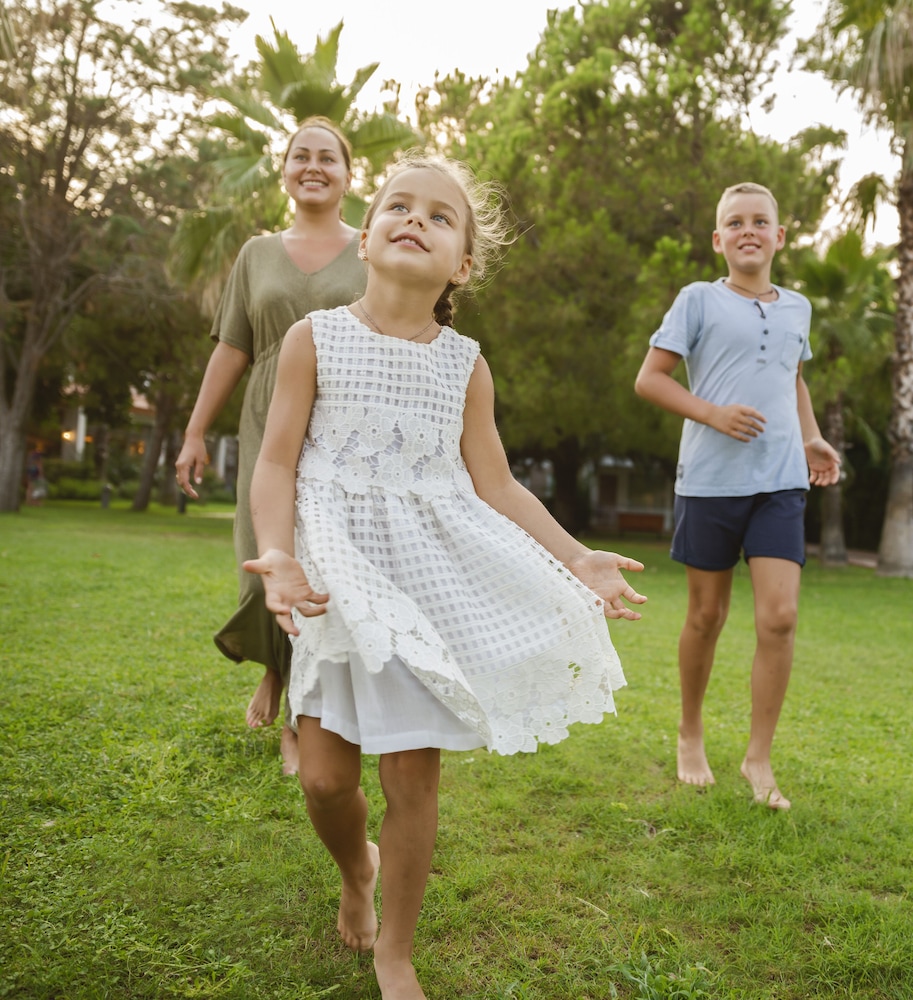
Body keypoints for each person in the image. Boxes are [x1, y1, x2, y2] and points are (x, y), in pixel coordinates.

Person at [243, 153, 647, 1000]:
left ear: (462, 261)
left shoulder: (464, 364)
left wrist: (576, 557)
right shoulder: (312, 340)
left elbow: (494, 484)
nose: (413, 219)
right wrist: (277, 553)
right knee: (323, 778)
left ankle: (396, 952)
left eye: (438, 215)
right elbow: (276, 461)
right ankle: (358, 868)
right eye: (398, 205)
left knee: (409, 778)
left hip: (425, 582)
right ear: (366, 231)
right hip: (334, 575)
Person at [634, 181, 841, 811]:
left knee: (780, 617)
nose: (748, 231)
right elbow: (650, 380)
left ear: (780, 237)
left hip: (779, 482)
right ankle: (690, 734)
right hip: (710, 483)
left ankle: (758, 758)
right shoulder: (697, 300)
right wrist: (712, 413)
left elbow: (793, 378)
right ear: (718, 239)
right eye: (735, 223)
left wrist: (811, 438)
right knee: (707, 616)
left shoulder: (798, 307)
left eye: (761, 222)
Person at [175, 116, 367, 775]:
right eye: (299, 156)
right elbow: (232, 348)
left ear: (348, 176)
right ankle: (277, 675)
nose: (312, 166)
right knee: (268, 559)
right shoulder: (257, 253)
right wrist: (196, 430)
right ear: (284, 172)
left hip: (342, 425)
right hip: (267, 424)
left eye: (327, 158)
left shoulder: (371, 248)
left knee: (325, 563)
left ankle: (298, 720)